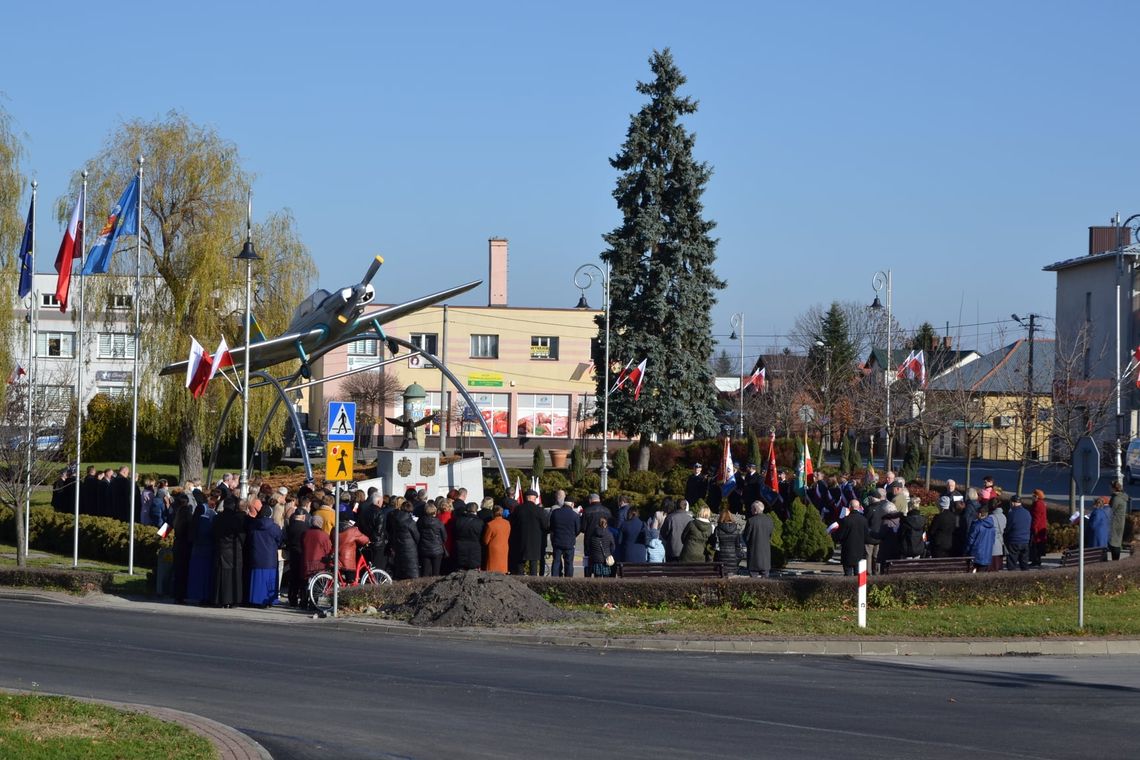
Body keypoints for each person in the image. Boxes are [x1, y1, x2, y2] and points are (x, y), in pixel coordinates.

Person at [212, 496, 245, 608]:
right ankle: (232, 600)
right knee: (233, 576)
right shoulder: (235, 519)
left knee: (220, 575)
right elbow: (241, 535)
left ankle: (219, 599)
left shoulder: (218, 517)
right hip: (233, 550)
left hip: (220, 548)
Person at [247, 502, 283, 608]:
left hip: (256, 555)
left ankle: (255, 599)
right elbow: (279, 540)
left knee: (257, 580)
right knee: (269, 581)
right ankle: (269, 600)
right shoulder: (274, 527)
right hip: (270, 557)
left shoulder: (253, 526)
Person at [185, 494, 217, 604]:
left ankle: (197, 594)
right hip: (205, 548)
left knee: (198, 572)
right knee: (203, 573)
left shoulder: (201, 514)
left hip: (198, 547)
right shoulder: (207, 515)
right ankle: (202, 596)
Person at [509, 489, 544, 575]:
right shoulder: (539, 510)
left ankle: (520, 582)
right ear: (532, 498)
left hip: (520, 539)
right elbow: (545, 525)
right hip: (535, 541)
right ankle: (533, 582)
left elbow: (512, 523)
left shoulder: (518, 509)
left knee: (520, 563)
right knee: (533, 564)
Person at [170, 492, 195, 603]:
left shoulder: (175, 514)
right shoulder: (187, 515)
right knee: (184, 571)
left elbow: (165, 529)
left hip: (177, 544)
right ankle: (181, 595)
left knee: (177, 570)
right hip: (185, 546)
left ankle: (176, 594)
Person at [580, 494, 612, 576]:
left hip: (590, 541)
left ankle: (588, 580)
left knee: (588, 564)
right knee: (605, 563)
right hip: (605, 542)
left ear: (590, 500)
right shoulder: (607, 511)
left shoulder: (587, 511)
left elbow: (583, 528)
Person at [389, 500, 421, 580]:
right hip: (410, 550)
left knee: (401, 573)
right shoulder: (410, 522)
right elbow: (417, 537)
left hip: (399, 548)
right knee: (412, 573)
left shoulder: (395, 519)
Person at [548, 498, 581, 577]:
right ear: (572, 504)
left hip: (557, 541)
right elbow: (578, 530)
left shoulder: (555, 513)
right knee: (569, 563)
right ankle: (568, 581)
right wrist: (573, 536)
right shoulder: (575, 515)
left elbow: (551, 527)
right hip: (569, 542)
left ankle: (554, 580)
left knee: (556, 562)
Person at [835, 499, 869, 576]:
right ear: (859, 507)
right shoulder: (864, 520)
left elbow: (840, 536)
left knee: (848, 575)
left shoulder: (845, 520)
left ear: (849, 507)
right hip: (860, 551)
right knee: (859, 576)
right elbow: (866, 536)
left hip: (848, 551)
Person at [285, 506, 311, 606]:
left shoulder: (290, 527)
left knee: (293, 577)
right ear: (303, 517)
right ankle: (303, 600)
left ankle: (292, 598)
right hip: (303, 553)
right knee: (303, 578)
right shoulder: (306, 528)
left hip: (293, 552)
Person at [742, 501, 773, 577]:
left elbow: (746, 536)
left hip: (753, 555)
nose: (750, 510)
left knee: (753, 581)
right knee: (766, 581)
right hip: (766, 556)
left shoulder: (751, 521)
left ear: (755, 509)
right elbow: (770, 535)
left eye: (751, 508)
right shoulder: (769, 520)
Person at [417, 504, 448, 577]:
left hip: (424, 548)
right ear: (435, 512)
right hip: (437, 549)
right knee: (436, 572)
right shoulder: (439, 523)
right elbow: (444, 537)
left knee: (425, 571)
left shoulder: (420, 522)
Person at [453, 502, 484, 571]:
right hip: (475, 549)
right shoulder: (480, 522)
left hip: (460, 548)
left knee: (460, 572)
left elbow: (455, 533)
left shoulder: (458, 520)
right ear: (476, 510)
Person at [964, 505, 996, 572]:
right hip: (987, 555)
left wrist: (966, 552)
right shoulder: (992, 526)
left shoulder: (977, 525)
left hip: (976, 555)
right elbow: (993, 541)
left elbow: (970, 540)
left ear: (979, 514)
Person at [712, 508, 742, 575]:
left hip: (720, 559)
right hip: (733, 560)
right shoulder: (736, 530)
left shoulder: (717, 529)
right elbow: (738, 547)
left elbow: (714, 544)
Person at [1004, 497, 1032, 570]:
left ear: (1013, 503)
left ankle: (1012, 579)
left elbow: (1008, 528)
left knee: (1011, 564)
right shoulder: (1027, 512)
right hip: (1025, 540)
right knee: (1024, 563)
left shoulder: (1012, 514)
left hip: (1014, 541)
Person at [482, 505, 511, 573]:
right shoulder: (507, 523)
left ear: (493, 513)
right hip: (504, 547)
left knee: (492, 569)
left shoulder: (490, 524)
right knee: (502, 568)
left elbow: (486, 541)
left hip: (493, 549)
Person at [1109, 480, 1129, 560]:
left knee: (1115, 542)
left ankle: (1115, 560)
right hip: (1120, 521)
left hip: (1115, 522)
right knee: (1117, 540)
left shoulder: (1116, 498)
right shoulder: (1122, 496)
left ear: (1114, 488)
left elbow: (1111, 509)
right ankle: (1116, 559)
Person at [1029, 489, 1048, 566]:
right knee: (1037, 545)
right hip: (1040, 527)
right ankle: (1036, 560)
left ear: (1036, 496)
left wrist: (1033, 527)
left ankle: (1036, 560)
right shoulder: (1041, 503)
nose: (1032, 497)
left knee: (1035, 545)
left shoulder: (1037, 504)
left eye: (1033, 496)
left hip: (1037, 529)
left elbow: (1036, 518)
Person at [989, 499, 1007, 571]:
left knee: (992, 569)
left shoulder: (991, 518)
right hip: (1000, 544)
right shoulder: (1004, 516)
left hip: (993, 546)